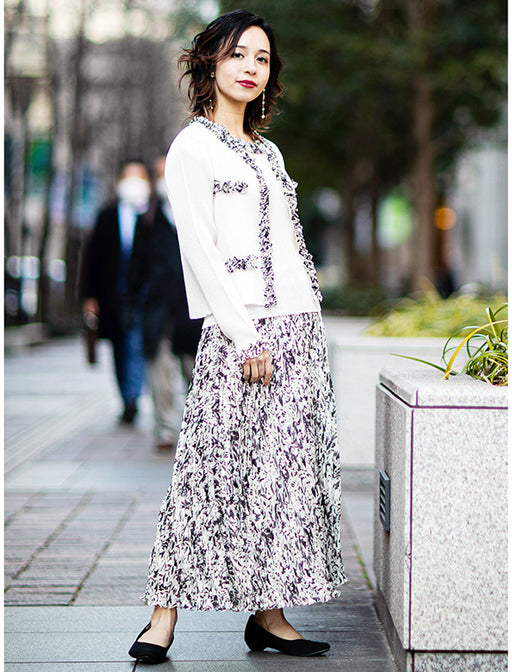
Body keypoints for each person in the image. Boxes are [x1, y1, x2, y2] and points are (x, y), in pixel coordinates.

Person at [129, 10, 345, 665]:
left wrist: (305, 325)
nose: (252, 67)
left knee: (281, 477)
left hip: (298, 329)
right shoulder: (191, 148)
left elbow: (289, 247)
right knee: (208, 471)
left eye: (262, 58)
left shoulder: (268, 152)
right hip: (239, 332)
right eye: (238, 54)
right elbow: (199, 251)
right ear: (210, 62)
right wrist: (246, 336)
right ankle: (162, 617)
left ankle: (269, 616)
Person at [128, 156, 202, 449]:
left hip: (193, 313)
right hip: (158, 312)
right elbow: (136, 269)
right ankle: (166, 428)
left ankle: (199, 430)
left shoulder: (198, 212)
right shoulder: (148, 220)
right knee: (159, 373)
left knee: (196, 373)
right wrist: (130, 306)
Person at [82, 160, 151, 424]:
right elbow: (92, 259)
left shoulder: (153, 215)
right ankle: (126, 396)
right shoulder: (107, 215)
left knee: (136, 344)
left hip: (143, 296)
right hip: (113, 296)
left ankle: (133, 396)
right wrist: (89, 297)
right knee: (119, 347)